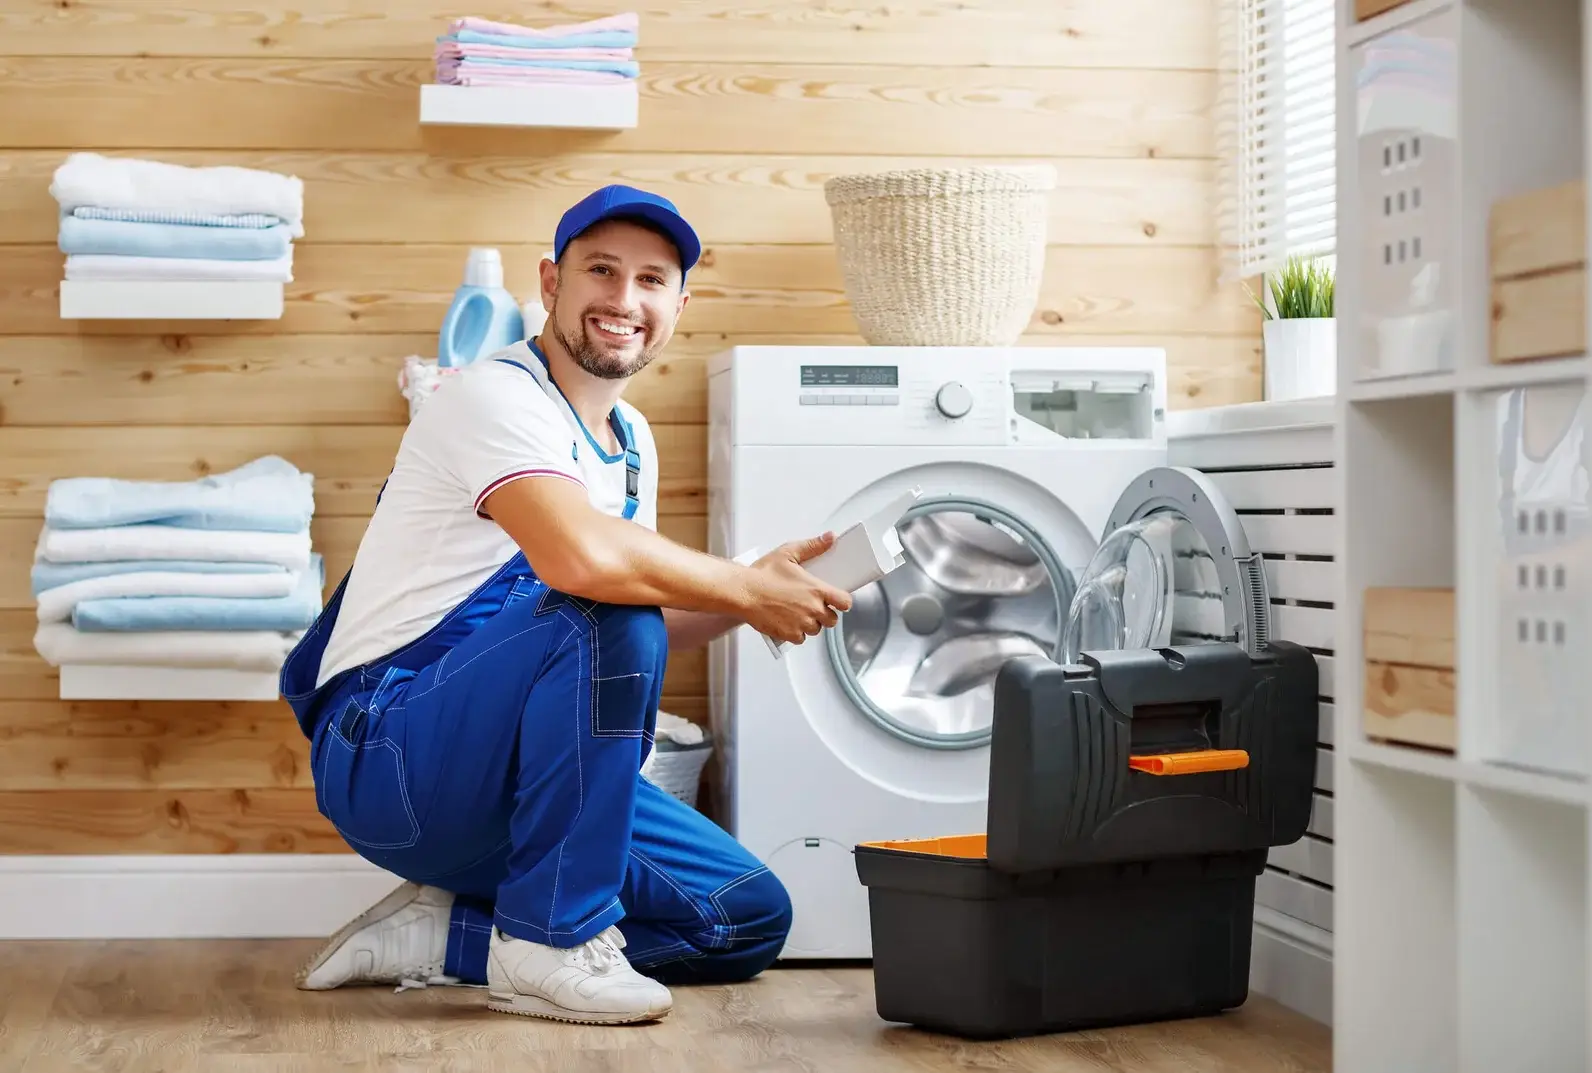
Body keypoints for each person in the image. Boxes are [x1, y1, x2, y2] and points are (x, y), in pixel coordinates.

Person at [278, 184, 854, 1026]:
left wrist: (751, 592)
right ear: (551, 283)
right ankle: (547, 943)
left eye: (652, 281)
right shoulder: (492, 395)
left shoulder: (631, 442)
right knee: (595, 592)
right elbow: (582, 565)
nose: (625, 300)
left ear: (679, 305)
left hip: (520, 779)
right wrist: (741, 585)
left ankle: (454, 937)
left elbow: (642, 619)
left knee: (743, 914)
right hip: (391, 756)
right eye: (602, 271)